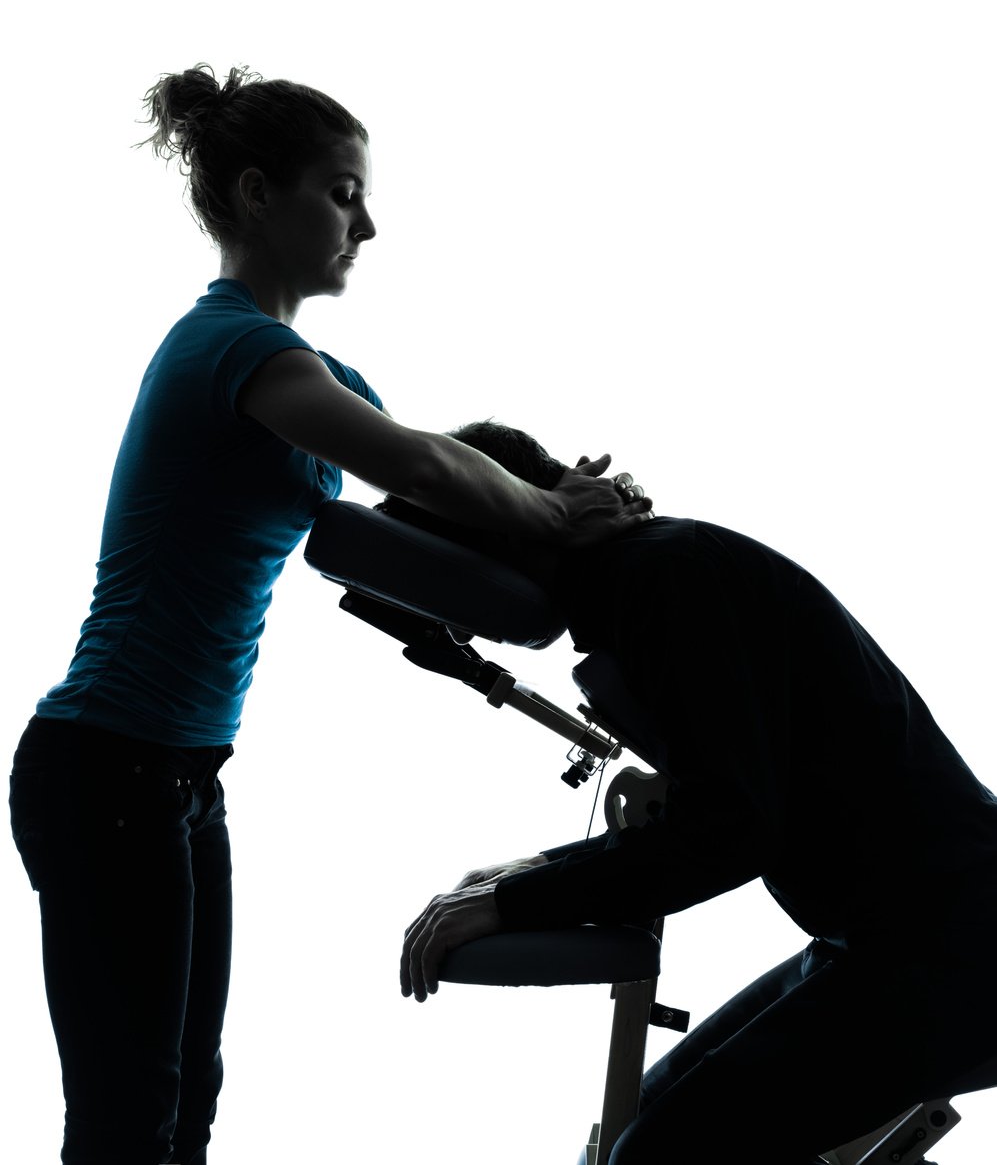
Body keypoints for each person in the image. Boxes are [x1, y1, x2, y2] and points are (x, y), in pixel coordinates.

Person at [7, 67, 652, 1165]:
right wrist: (547, 508)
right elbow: (414, 463)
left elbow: (431, 494)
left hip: (174, 779)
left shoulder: (306, 372)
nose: (368, 223)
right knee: (128, 1117)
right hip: (106, 769)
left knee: (184, 1103)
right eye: (342, 192)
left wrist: (565, 502)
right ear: (259, 195)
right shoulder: (235, 351)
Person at [395, 420, 997, 1165]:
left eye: (449, 580)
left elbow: (728, 832)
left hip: (953, 943)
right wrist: (525, 872)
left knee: (658, 1156)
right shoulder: (645, 574)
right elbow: (717, 808)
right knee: (633, 1127)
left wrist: (508, 903)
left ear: (505, 523)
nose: (460, 622)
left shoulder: (661, 580)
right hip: (889, 935)